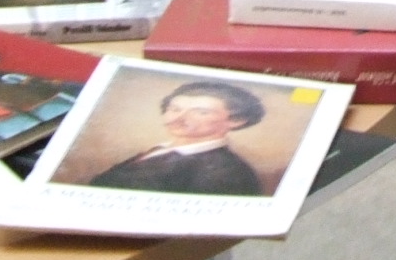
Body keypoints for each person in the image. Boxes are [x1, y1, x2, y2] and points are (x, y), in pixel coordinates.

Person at [87, 80, 265, 196]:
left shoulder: (227, 173)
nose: (178, 118)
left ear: (236, 120)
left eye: (201, 112)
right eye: (175, 109)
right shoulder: (159, 150)